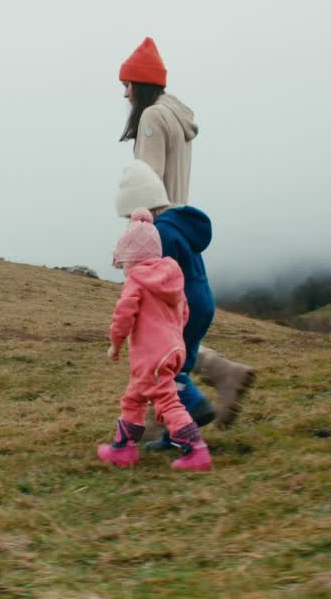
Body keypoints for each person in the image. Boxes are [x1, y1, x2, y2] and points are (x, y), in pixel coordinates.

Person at [117, 37, 257, 426]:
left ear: (142, 84)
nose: (125, 94)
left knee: (153, 331)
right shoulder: (175, 117)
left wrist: (136, 240)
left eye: (128, 85)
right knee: (176, 324)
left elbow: (146, 183)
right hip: (181, 227)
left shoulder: (151, 119)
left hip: (159, 235)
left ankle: (182, 409)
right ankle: (218, 375)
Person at [97, 208, 212, 472]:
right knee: (134, 398)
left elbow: (123, 314)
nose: (124, 270)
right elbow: (184, 311)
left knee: (167, 403)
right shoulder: (171, 277)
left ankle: (196, 450)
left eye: (124, 263)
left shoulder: (136, 281)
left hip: (151, 357)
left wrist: (115, 343)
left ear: (133, 259)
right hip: (171, 349)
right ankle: (122, 449)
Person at [115, 160, 216, 450]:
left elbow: (156, 278)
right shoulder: (179, 225)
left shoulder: (159, 233)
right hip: (203, 301)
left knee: (166, 370)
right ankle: (174, 436)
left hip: (183, 307)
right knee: (181, 361)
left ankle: (195, 406)